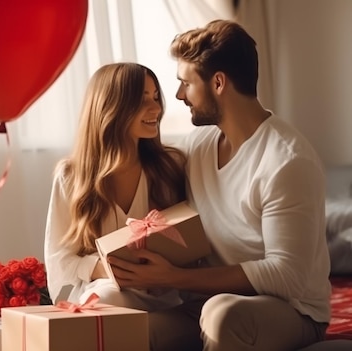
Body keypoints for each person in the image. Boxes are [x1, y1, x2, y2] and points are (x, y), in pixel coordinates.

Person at [108, 19, 331, 350]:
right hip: (208, 300)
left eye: (185, 82)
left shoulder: (286, 160)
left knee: (221, 314)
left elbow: (286, 277)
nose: (179, 95)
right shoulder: (198, 145)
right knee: (131, 332)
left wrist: (173, 278)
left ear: (218, 83)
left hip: (293, 311)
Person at [43, 62, 187, 311]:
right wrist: (106, 269)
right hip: (105, 293)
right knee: (106, 299)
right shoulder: (71, 177)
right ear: (112, 108)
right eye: (143, 100)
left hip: (165, 297)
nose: (157, 108)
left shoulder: (170, 166)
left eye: (155, 97)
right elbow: (59, 260)